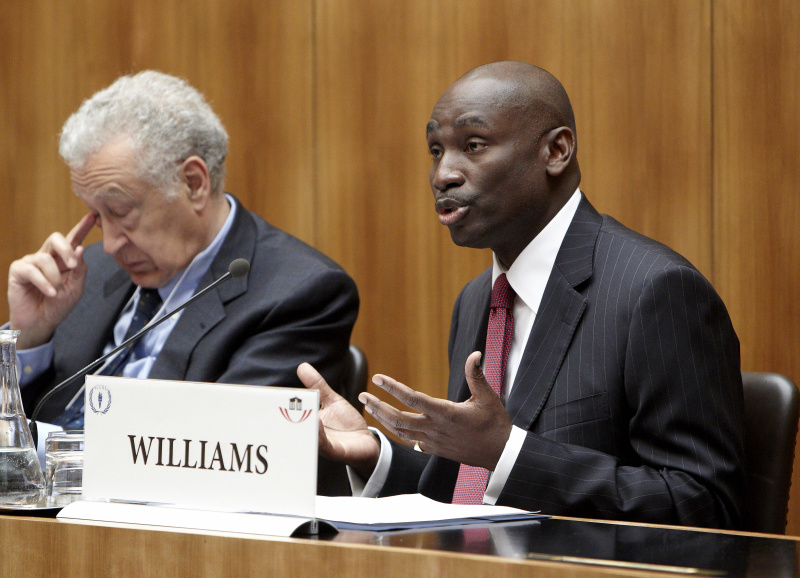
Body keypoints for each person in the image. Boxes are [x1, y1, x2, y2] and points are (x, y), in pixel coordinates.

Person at [297, 61, 745, 527]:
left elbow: (705, 506)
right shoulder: (478, 299)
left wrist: (510, 452)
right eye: (435, 150)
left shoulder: (655, 291)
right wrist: (375, 455)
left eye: (473, 145)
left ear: (556, 151)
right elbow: (472, 489)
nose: (443, 174)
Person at [9, 71, 359, 495]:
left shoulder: (299, 292)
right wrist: (30, 338)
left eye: (120, 211)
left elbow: (210, 463)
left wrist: (46, 457)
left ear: (194, 183)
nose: (112, 242)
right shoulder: (87, 273)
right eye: (96, 216)